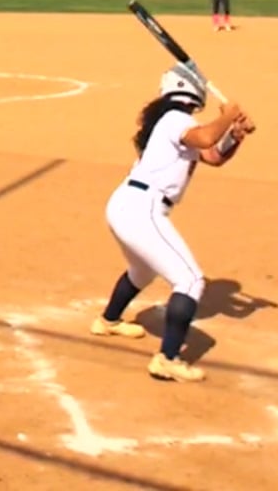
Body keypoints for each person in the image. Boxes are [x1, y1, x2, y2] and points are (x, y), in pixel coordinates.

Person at [89, 65, 254, 382]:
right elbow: (206, 136)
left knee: (142, 271)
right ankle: (167, 359)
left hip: (127, 205)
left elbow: (213, 155)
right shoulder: (176, 119)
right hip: (143, 208)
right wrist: (228, 115)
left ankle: (108, 321)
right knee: (190, 281)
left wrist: (234, 135)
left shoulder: (173, 123)